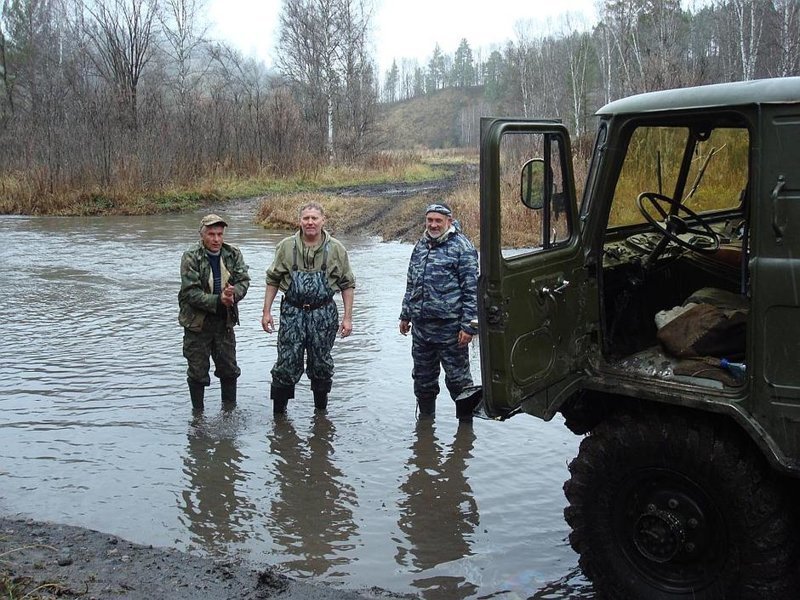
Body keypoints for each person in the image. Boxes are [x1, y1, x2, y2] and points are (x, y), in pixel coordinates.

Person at [262, 202, 355, 413]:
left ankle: (320, 417)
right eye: (306, 218)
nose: (310, 222)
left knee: (321, 364)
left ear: (323, 220)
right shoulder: (285, 247)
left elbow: (347, 284)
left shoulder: (337, 249)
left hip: (324, 314)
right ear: (299, 221)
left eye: (314, 218)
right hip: (292, 313)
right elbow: (273, 279)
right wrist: (266, 311)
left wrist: (348, 318)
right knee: (286, 364)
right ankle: (280, 418)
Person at [399, 202, 478, 420]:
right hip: (422, 329)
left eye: (438, 221)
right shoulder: (421, 245)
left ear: (449, 222)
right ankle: (425, 430)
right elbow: (411, 282)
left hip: (451, 330)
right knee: (423, 380)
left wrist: (469, 328)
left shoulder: (463, 247)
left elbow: (472, 291)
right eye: (430, 220)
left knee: (459, 382)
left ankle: (465, 430)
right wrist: (405, 315)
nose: (433, 225)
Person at [179, 214, 251, 412]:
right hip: (197, 324)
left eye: (220, 234)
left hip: (224, 322)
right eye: (211, 234)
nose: (216, 239)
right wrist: (218, 300)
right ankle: (198, 417)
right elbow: (190, 293)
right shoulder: (191, 256)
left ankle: (229, 414)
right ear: (202, 235)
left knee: (229, 370)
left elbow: (244, 280)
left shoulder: (233, 253)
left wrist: (233, 295)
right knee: (197, 372)